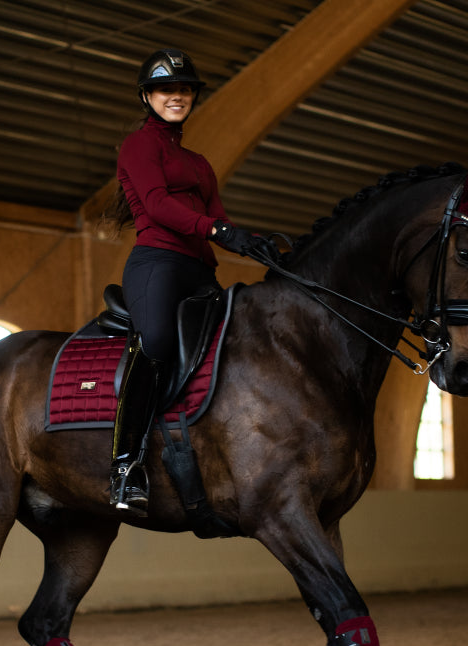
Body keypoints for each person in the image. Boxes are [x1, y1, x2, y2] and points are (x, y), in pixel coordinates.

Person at [105, 47, 271, 515]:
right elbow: (157, 205)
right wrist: (216, 230)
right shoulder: (140, 146)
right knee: (156, 341)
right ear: (147, 96)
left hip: (200, 271)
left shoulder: (199, 163)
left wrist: (253, 243)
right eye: (164, 89)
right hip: (157, 263)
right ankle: (125, 466)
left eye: (183, 89)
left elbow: (218, 218)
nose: (175, 96)